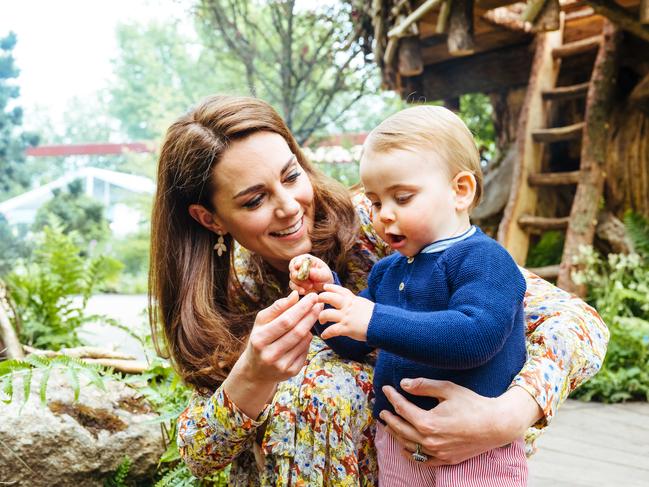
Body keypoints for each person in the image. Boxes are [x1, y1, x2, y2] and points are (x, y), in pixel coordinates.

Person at [149, 95, 609, 486]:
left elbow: (577, 322)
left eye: (291, 176)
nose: (289, 207)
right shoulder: (224, 299)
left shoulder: (384, 225)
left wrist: (508, 416)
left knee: (323, 383)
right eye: (254, 200)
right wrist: (253, 375)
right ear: (209, 218)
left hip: (448, 463)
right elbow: (198, 453)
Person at [288, 105, 528, 485]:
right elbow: (355, 341)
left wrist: (373, 319)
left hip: (476, 451)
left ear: (460, 191)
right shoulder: (388, 271)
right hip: (399, 443)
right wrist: (325, 297)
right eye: (377, 201)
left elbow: (476, 335)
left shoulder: (485, 260)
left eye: (402, 197)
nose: (384, 214)